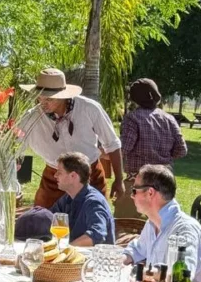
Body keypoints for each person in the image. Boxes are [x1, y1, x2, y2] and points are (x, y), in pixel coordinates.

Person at [19, 68, 125, 209]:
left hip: (90, 176)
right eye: (40, 97)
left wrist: (119, 179)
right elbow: (14, 149)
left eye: (49, 99)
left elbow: (112, 143)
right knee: (44, 224)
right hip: (54, 179)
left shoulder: (89, 108)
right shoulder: (30, 118)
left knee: (95, 221)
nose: (43, 103)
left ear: (63, 96)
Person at [120, 164, 201, 282]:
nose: (132, 196)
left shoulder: (184, 230)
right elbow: (137, 249)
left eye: (134, 190)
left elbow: (182, 276)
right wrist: (119, 261)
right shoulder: (152, 223)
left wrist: (144, 272)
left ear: (150, 193)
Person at [116, 79, 187, 218]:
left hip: (137, 183)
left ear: (135, 98)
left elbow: (124, 149)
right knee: (162, 225)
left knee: (124, 225)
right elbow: (181, 150)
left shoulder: (132, 118)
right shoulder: (169, 119)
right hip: (164, 183)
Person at [50, 152, 115, 246]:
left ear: (73, 176)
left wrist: (67, 250)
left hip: (94, 258)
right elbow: (49, 218)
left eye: (59, 172)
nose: (55, 175)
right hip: (77, 257)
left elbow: (97, 235)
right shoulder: (67, 198)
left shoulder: (93, 202)